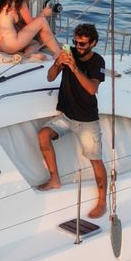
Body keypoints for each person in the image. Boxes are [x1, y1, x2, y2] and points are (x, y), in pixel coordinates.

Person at [36, 22, 108, 217]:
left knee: (96, 160)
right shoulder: (70, 53)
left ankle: (103, 202)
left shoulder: (97, 62)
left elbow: (92, 89)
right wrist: (59, 62)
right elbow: (50, 77)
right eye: (76, 42)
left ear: (93, 43)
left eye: (83, 44)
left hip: (87, 120)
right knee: (43, 135)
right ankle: (54, 179)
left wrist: (75, 68)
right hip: (66, 116)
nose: (78, 47)